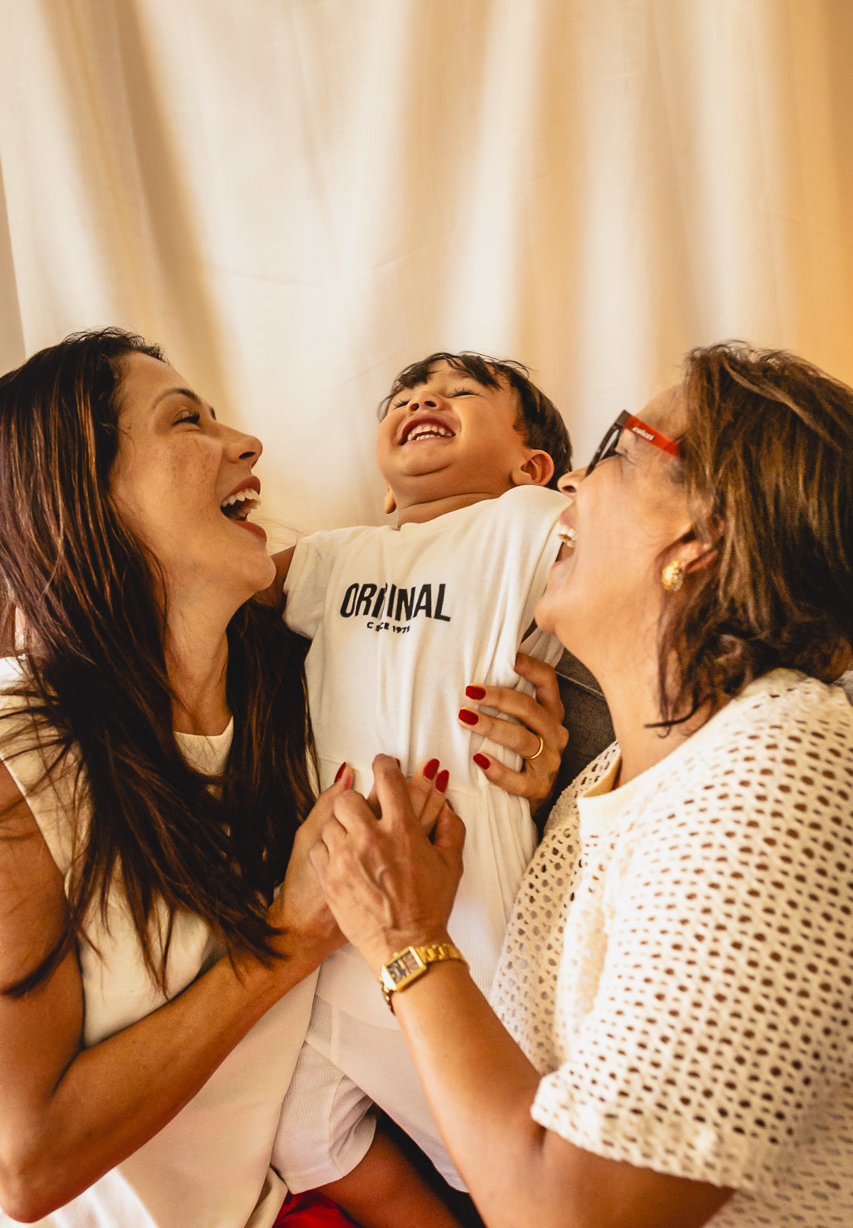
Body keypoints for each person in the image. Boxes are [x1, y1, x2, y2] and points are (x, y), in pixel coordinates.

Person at [309, 342, 853, 1228]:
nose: (569, 480)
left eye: (614, 447)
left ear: (700, 536)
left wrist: (405, 939)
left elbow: (574, 1214)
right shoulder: (589, 787)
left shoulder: (783, 758)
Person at [0, 329, 459, 1228]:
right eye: (186, 422)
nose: (246, 444)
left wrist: (533, 745)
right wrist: (288, 941)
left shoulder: (298, 692)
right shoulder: (22, 758)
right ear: (83, 495)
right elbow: (27, 1165)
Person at [269, 353, 572, 1197]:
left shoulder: (524, 520)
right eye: (402, 396)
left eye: (460, 392)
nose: (421, 400)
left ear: (531, 462)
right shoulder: (337, 555)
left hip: (470, 873)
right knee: (295, 1128)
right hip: (328, 893)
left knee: (517, 1112)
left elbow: (643, 547)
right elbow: (232, 589)